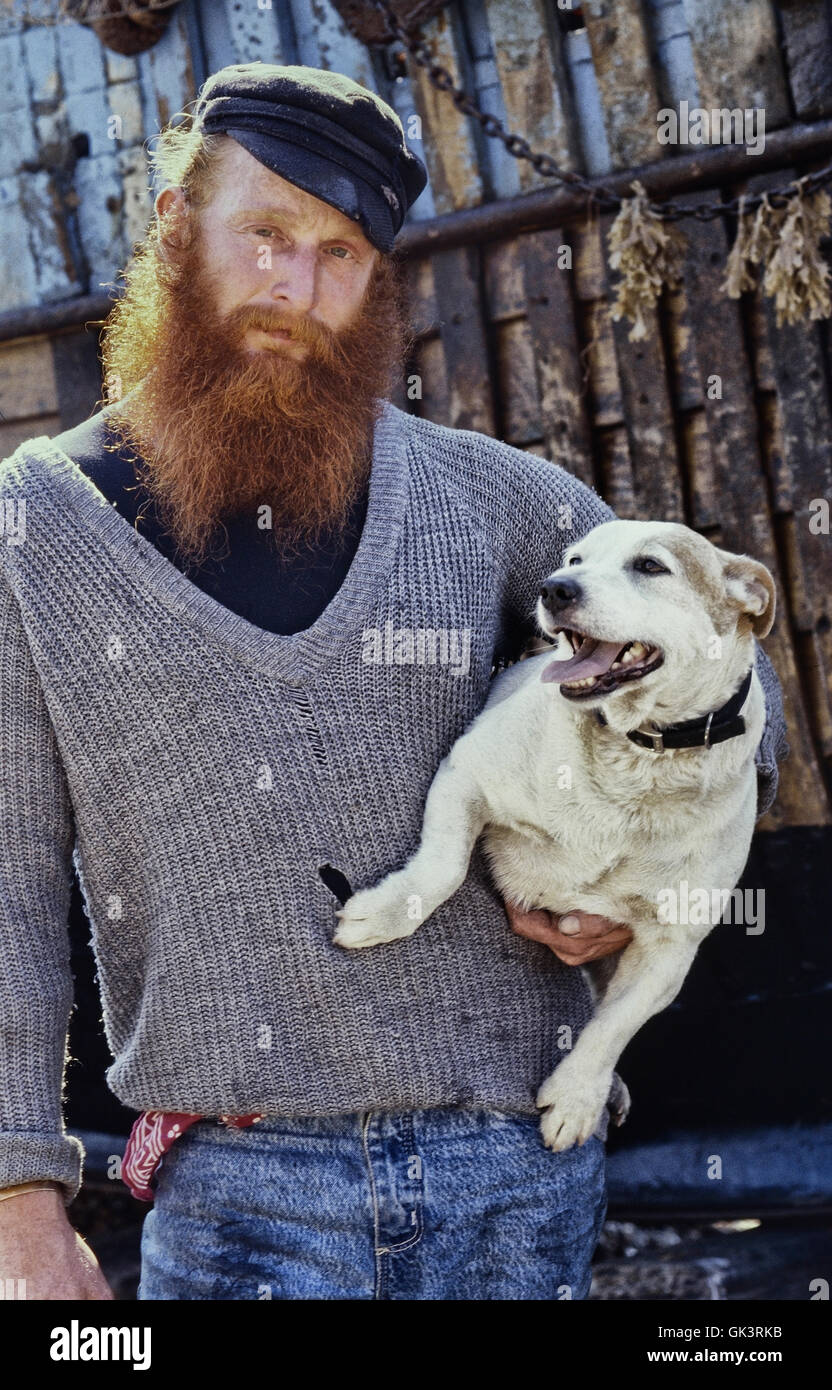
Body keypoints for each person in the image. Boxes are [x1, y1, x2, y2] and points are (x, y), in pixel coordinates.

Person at [0, 63, 786, 1301]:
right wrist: (20, 1208)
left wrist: (638, 886)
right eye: (264, 235)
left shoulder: (492, 497)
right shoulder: (35, 529)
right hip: (238, 1189)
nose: (295, 289)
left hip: (516, 1169)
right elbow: (6, 887)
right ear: (173, 227)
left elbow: (727, 664)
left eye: (340, 255)